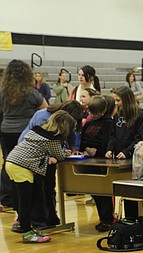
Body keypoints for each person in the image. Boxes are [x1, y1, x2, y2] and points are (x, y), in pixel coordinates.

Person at [5, 110, 75, 243]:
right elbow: (59, 156)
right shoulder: (53, 138)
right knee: (26, 201)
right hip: (22, 167)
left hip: (12, 162)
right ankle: (26, 232)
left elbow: (37, 150)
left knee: (33, 196)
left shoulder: (37, 130)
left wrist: (50, 155)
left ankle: (24, 224)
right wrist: (58, 155)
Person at [18, 99, 83, 228]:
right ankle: (38, 221)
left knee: (49, 187)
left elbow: (71, 136)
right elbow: (43, 141)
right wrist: (60, 153)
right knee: (39, 189)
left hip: (49, 155)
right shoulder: (43, 116)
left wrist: (73, 150)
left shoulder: (67, 121)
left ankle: (51, 217)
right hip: (32, 157)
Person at [0, 59, 48, 216]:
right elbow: (46, 110)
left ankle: (14, 204)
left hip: (7, 131)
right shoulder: (31, 92)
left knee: (10, 166)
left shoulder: (3, 92)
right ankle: (31, 210)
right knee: (29, 170)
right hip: (27, 133)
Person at [106, 86, 143, 218]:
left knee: (132, 195)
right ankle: (126, 222)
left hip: (134, 161)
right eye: (114, 100)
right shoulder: (117, 114)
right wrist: (109, 149)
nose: (116, 103)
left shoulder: (140, 115)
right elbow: (113, 135)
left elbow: (140, 139)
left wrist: (127, 152)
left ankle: (136, 221)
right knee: (123, 193)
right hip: (119, 160)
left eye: (118, 100)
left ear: (127, 99)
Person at [80, 96, 116, 231]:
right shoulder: (89, 124)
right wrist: (86, 149)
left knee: (104, 193)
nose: (93, 116)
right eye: (91, 113)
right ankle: (102, 218)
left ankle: (108, 219)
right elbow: (83, 139)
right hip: (89, 160)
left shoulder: (108, 123)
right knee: (95, 192)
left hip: (102, 161)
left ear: (103, 111)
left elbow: (107, 142)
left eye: (96, 114)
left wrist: (98, 150)